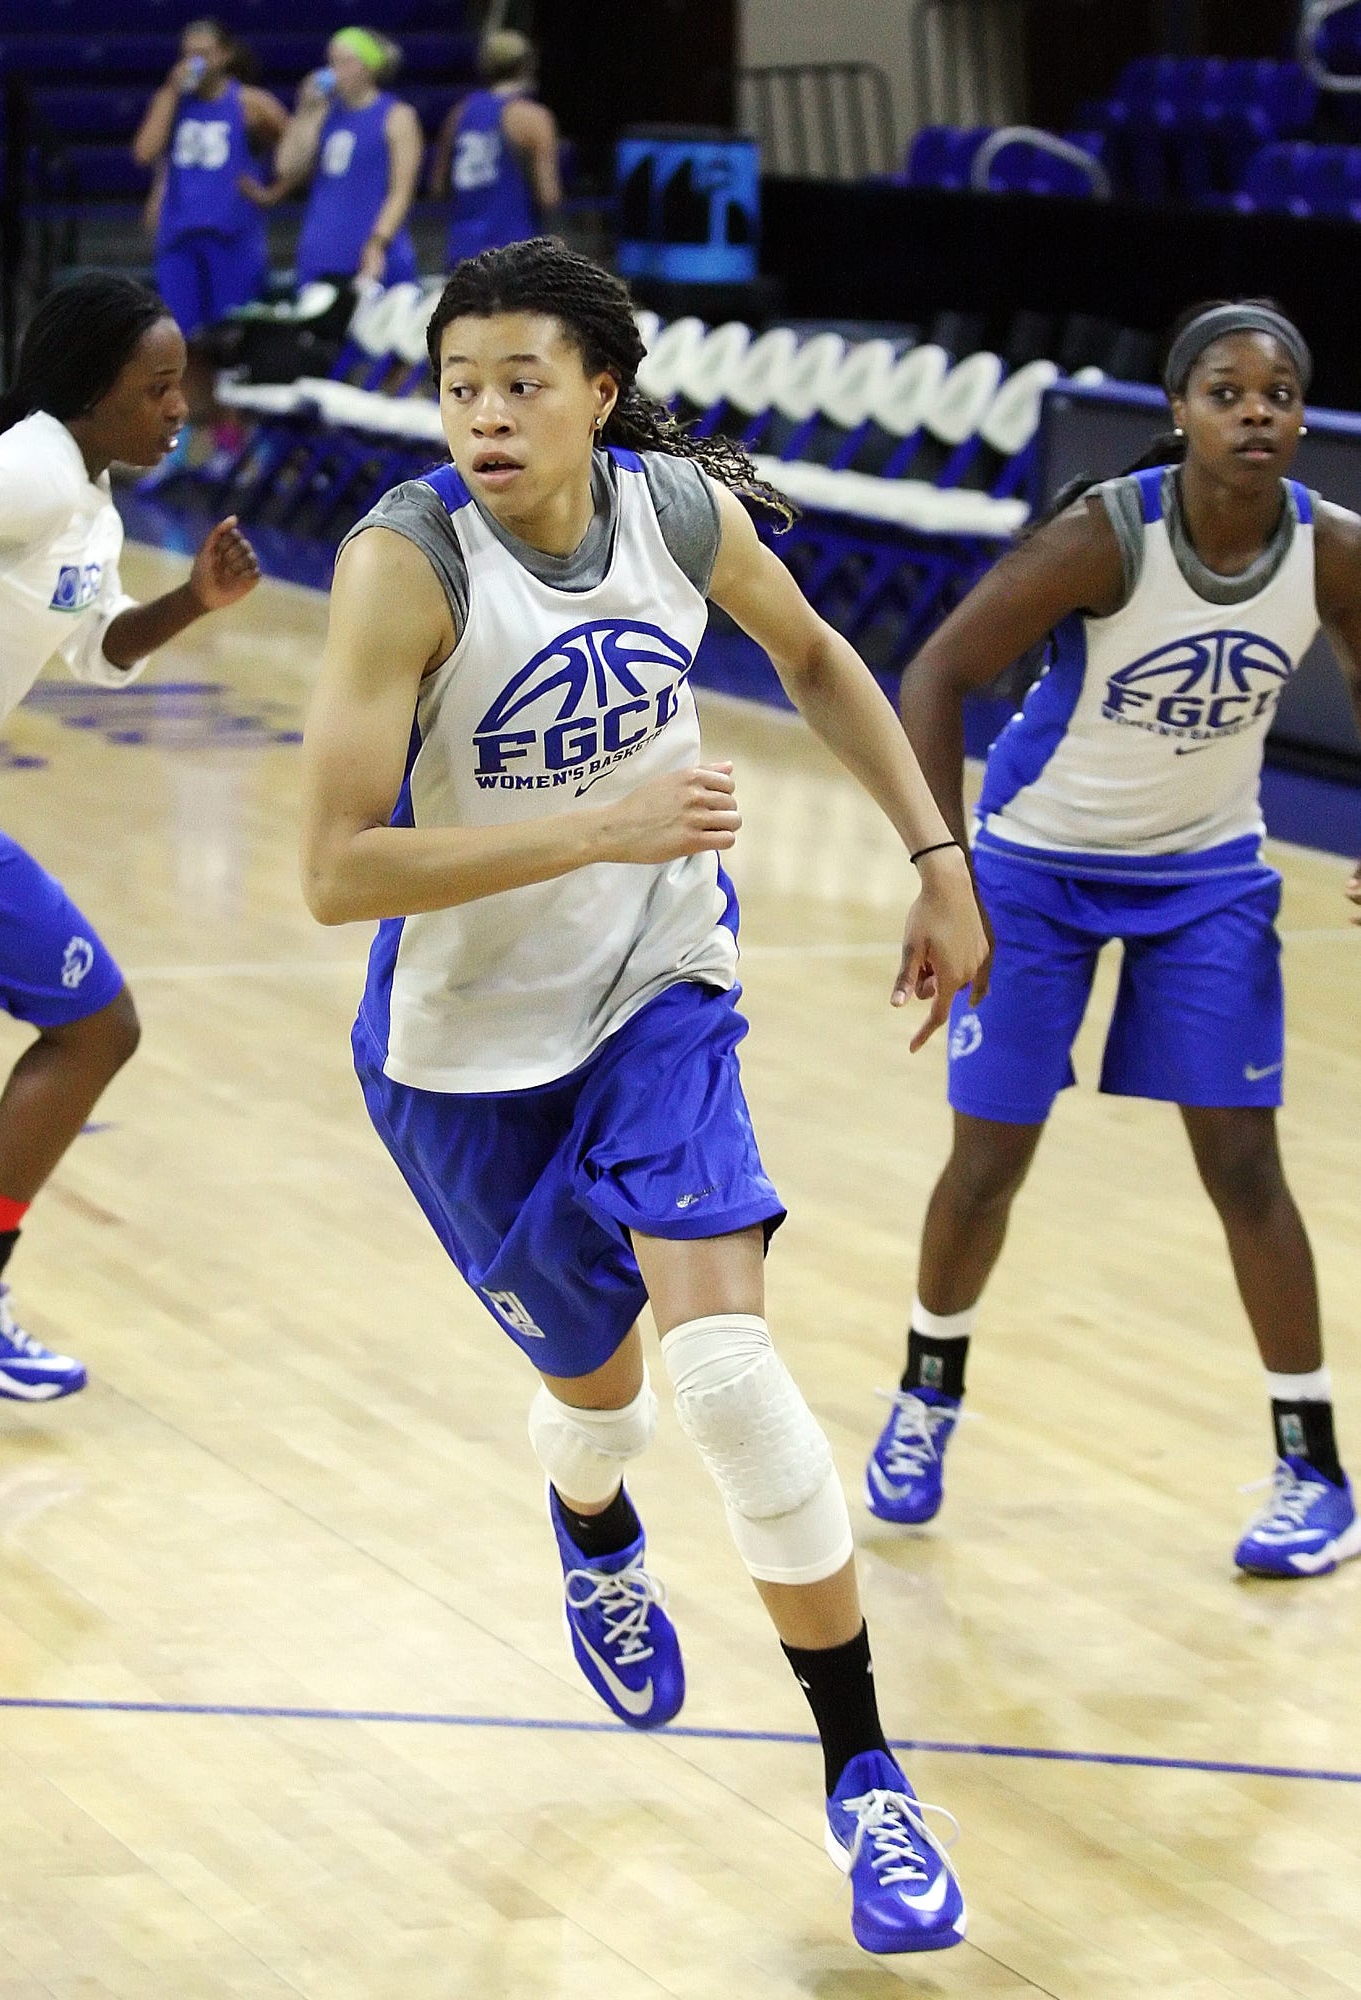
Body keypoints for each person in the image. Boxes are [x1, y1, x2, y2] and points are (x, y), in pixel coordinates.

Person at [301, 237, 988, 1955]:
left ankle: (868, 1782)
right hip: (462, 1058)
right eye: (460, 384)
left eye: (523, 381)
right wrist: (598, 826)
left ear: (600, 392)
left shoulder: (676, 516)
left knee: (735, 1379)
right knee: (598, 1406)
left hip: (660, 990)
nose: (485, 414)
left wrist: (938, 854)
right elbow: (334, 873)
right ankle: (594, 1527)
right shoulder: (406, 566)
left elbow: (822, 659)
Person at [863, 300, 1361, 1581]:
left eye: (1279, 393)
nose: (1256, 411)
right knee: (989, 1158)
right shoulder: (1105, 539)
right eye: (1226, 390)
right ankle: (926, 1397)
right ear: (1181, 413)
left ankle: (1315, 1465)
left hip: (1206, 874)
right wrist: (945, 878)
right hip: (1033, 873)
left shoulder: (1335, 551)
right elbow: (930, 675)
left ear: (1302, 416)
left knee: (1246, 1162)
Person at [0, 272, 260, 1399]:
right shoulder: (30, 470)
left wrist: (194, 602)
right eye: (159, 387)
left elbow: (95, 650)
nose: (180, 407)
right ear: (91, 394)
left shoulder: (85, 498)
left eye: (182, 385)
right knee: (96, 1025)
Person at [131, 18, 287, 345]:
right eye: (188, 54)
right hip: (179, 236)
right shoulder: (172, 101)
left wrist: (271, 193)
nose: (195, 61)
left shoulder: (250, 103)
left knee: (232, 339)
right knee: (179, 339)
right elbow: (144, 153)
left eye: (203, 53)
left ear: (224, 56)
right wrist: (171, 92)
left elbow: (295, 152)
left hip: (232, 237)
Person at [266, 27, 422, 294]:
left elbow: (401, 192)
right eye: (331, 62)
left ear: (369, 67)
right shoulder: (324, 114)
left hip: (372, 247)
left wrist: (377, 242)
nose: (334, 71)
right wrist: (307, 111)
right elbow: (285, 167)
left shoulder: (397, 116)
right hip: (322, 247)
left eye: (345, 62)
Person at [431, 31, 561, 268]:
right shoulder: (533, 117)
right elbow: (548, 195)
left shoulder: (458, 114)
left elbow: (439, 187)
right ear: (528, 65)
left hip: (463, 249)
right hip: (515, 249)